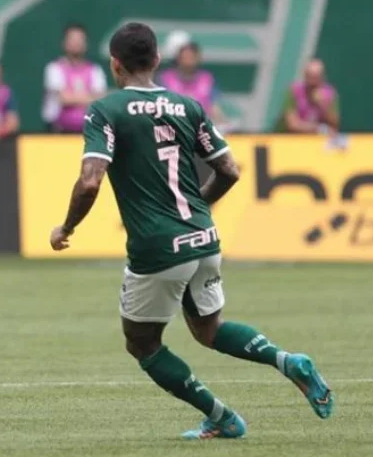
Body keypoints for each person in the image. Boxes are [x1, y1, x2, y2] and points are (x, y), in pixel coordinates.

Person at [49, 22, 333, 440]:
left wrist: (66, 226)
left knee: (143, 344)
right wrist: (196, 209)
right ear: (158, 60)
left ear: (114, 64)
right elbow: (229, 171)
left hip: (157, 248)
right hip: (203, 236)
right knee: (209, 329)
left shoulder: (104, 111)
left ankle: (221, 417)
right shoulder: (188, 106)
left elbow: (90, 180)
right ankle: (286, 360)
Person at [42, 24, 107, 133]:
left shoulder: (95, 70)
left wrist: (74, 97)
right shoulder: (54, 68)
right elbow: (63, 98)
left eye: (80, 39)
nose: (76, 43)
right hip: (58, 132)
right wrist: (89, 97)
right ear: (64, 43)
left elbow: (100, 100)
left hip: (89, 131)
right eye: (72, 39)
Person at [158, 41, 224, 125]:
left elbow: (214, 107)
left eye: (191, 57)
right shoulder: (166, 78)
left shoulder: (207, 79)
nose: (188, 60)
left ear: (198, 58)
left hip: (202, 128)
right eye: (185, 57)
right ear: (178, 58)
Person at [280, 59, 340, 133]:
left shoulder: (330, 94)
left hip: (318, 140)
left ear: (322, 77)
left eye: (316, 78)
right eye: (310, 77)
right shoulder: (294, 91)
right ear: (305, 76)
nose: (312, 82)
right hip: (293, 138)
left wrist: (323, 106)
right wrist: (318, 129)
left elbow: (334, 124)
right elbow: (292, 124)